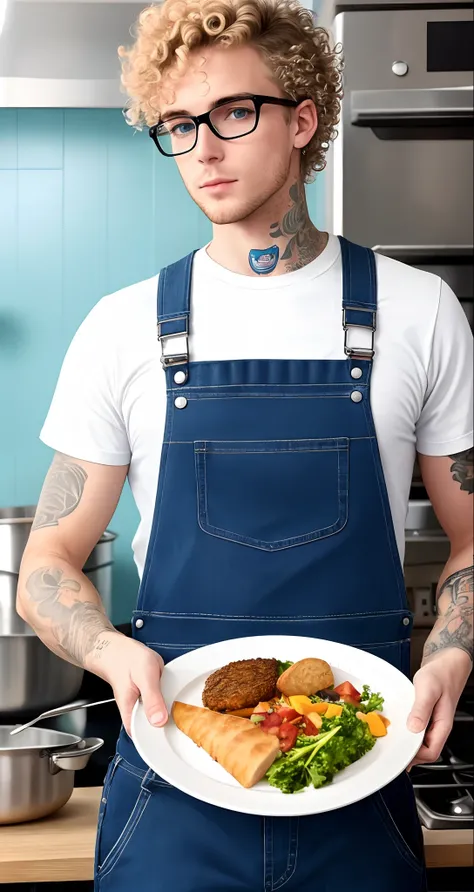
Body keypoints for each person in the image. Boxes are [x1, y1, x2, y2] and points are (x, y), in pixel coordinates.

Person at [16, 0, 473, 889]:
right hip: (172, 786)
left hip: (359, 763)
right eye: (180, 125)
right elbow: (47, 562)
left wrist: (452, 647)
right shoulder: (125, 328)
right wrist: (114, 653)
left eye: (233, 113)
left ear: (303, 119)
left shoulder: (419, 312)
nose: (205, 149)